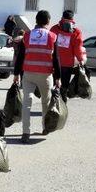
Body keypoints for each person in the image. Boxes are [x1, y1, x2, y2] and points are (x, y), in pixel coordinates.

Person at [13, 10, 61, 143]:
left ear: (36, 20)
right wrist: (58, 77)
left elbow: (21, 56)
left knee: (26, 104)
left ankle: (25, 133)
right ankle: (45, 128)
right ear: (48, 22)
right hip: (45, 75)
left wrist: (16, 74)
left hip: (28, 74)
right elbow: (56, 58)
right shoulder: (52, 36)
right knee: (46, 102)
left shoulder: (27, 35)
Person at [50, 10, 85, 96]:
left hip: (54, 63)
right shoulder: (76, 32)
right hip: (67, 64)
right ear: (72, 19)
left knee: (54, 84)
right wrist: (81, 60)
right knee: (64, 85)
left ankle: (53, 104)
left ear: (62, 17)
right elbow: (77, 48)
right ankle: (62, 103)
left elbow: (49, 45)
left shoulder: (54, 29)